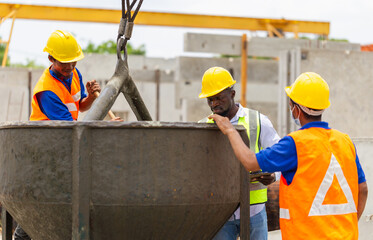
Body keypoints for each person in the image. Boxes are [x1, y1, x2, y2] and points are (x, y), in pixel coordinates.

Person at [210, 72, 368, 239]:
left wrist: (229, 130)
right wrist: (348, 225)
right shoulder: (345, 141)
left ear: (296, 109)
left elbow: (250, 162)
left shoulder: (295, 144)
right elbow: (363, 190)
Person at [14, 30, 119, 240]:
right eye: (64, 63)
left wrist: (90, 97)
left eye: (73, 62)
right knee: (42, 201)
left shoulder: (73, 74)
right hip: (43, 149)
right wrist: (104, 126)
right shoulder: (47, 91)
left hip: (63, 141)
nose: (70, 68)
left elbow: (79, 107)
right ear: (51, 59)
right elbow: (71, 127)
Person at [198, 66, 280, 240]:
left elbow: (278, 157)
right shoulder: (202, 127)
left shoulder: (258, 121)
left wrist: (272, 175)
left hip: (254, 212)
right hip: (220, 215)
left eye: (219, 98)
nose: (214, 104)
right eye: (210, 100)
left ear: (233, 94)